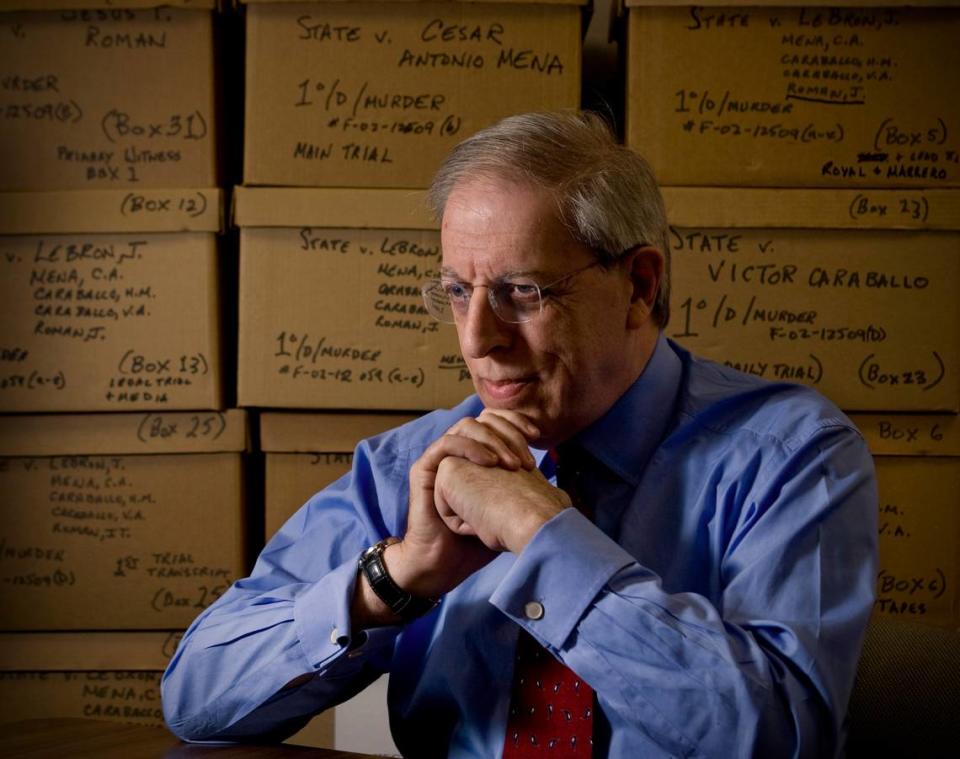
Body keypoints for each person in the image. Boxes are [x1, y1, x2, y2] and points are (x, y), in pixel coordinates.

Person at [161, 111, 878, 757]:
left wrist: (544, 538)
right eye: (457, 292)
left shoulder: (792, 455)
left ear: (639, 286)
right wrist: (396, 577)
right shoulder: (412, 466)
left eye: (522, 293)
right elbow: (195, 696)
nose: (478, 340)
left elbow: (785, 737)